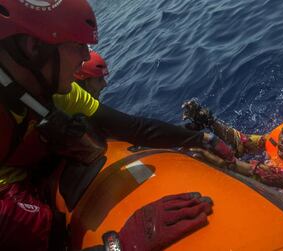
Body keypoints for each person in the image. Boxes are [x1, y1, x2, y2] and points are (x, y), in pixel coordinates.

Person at [0, 1, 236, 250]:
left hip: (22, 168)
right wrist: (119, 245)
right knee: (28, 224)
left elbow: (131, 127)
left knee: (85, 137)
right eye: (79, 46)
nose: (85, 57)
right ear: (34, 47)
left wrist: (201, 140)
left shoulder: (56, 93)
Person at [182, 99, 283, 190]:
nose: (282, 139)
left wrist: (231, 165)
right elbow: (242, 141)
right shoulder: (274, 141)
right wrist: (210, 122)